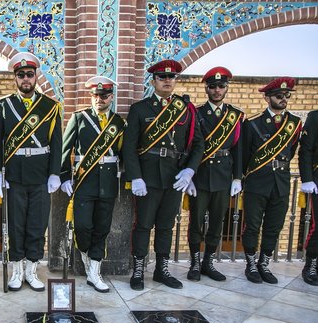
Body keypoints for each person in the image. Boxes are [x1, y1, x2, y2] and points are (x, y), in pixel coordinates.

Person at [122, 59, 204, 291]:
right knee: (143, 225)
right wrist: (135, 176)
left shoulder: (186, 109)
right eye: (162, 77)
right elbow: (129, 146)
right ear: (153, 81)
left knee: (166, 226)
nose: (168, 81)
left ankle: (162, 269)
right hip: (147, 176)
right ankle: (139, 269)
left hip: (174, 176)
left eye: (172, 77)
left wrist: (190, 171)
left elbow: (198, 144)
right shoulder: (141, 109)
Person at [0, 52, 62, 292]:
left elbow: (57, 142)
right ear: (15, 78)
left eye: (29, 75)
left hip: (41, 175)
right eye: (21, 75)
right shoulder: (4, 105)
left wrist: (55, 173)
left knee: (37, 225)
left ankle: (32, 270)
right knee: (16, 226)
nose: (25, 79)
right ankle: (16, 270)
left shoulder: (50, 107)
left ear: (36, 77)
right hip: (14, 176)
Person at [60, 76, 126, 292]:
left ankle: (94, 271)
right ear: (91, 97)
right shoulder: (79, 118)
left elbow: (124, 154)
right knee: (83, 226)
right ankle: (88, 259)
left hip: (108, 183)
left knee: (102, 228)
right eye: (96, 96)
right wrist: (63, 177)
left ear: (111, 97)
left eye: (104, 96)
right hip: (84, 182)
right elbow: (66, 149)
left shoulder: (118, 123)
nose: (100, 99)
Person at [185, 67, 244, 282]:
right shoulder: (196, 113)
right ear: (206, 89)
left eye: (221, 86)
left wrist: (237, 177)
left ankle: (207, 263)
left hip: (222, 175)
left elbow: (238, 149)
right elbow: (190, 146)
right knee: (196, 222)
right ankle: (194, 263)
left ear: (227, 88)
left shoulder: (235, 116)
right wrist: (189, 175)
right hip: (200, 175)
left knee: (218, 222)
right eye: (213, 86)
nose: (217, 90)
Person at [242, 77, 302, 284]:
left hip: (281, 182)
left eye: (287, 95)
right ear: (268, 98)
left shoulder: (294, 124)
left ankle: (263, 264)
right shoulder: (252, 123)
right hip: (257, 181)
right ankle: (250, 264)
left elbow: (291, 151)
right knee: (252, 226)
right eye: (279, 95)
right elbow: (244, 155)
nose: (283, 98)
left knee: (274, 227)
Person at [299, 109, 318, 286]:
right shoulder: (315, 117)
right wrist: (307, 178)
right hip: (317, 181)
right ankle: (311, 265)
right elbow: (306, 150)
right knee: (317, 225)